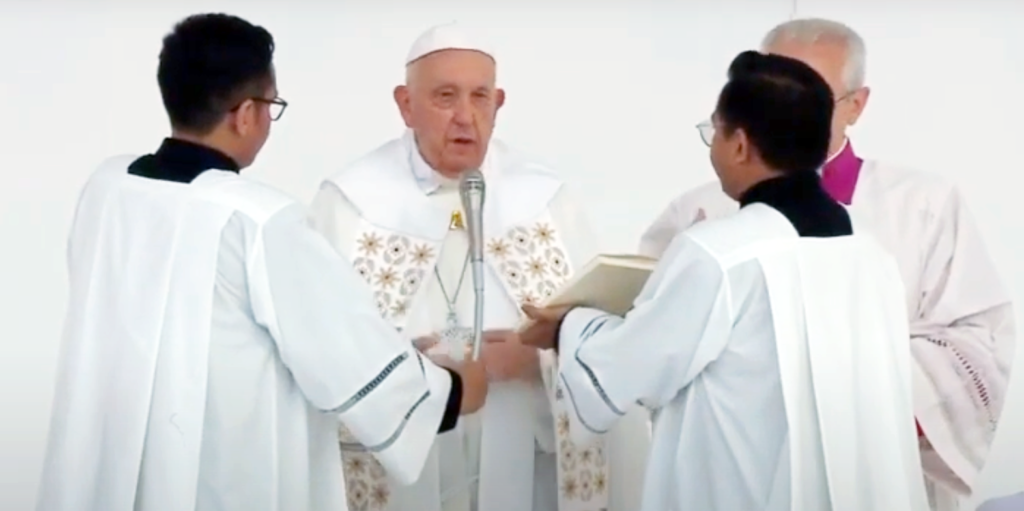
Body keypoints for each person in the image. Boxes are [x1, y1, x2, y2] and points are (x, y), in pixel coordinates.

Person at [35, 13, 489, 511]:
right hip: (216, 477)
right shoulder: (258, 222)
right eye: (272, 106)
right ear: (246, 113)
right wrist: (455, 386)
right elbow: (348, 358)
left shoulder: (108, 187)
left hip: (110, 466)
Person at [510, 50, 932, 511]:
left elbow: (632, 370)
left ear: (739, 144)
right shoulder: (869, 249)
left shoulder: (721, 253)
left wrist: (569, 326)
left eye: (715, 130)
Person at [637, 18, 1016, 511]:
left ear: (856, 105)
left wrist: (853, 390)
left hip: (875, 464)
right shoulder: (701, 211)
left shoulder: (922, 204)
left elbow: (978, 337)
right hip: (736, 466)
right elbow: (646, 320)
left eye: (810, 95)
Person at [308, 22, 650, 511]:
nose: (466, 117)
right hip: (408, 459)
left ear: (499, 103)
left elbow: (604, 334)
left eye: (480, 97)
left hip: (518, 441)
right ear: (406, 104)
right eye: (445, 97)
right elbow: (321, 342)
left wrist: (537, 359)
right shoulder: (351, 202)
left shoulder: (545, 199)